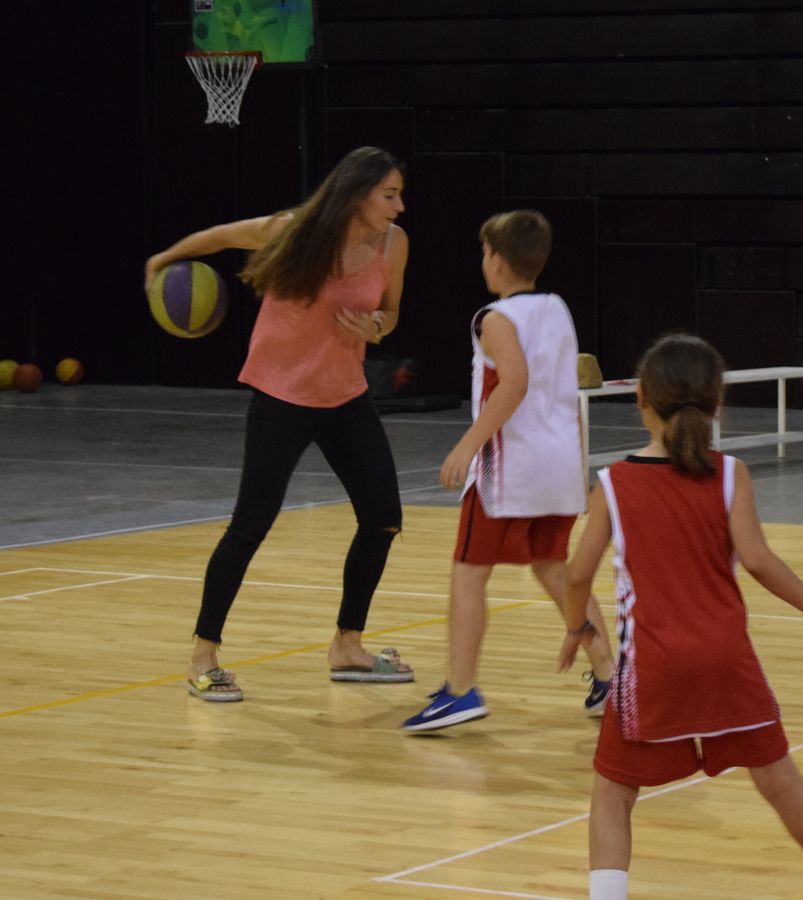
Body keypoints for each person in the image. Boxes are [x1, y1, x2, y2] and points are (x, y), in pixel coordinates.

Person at [556, 334, 803, 900]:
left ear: (641, 401)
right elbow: (758, 561)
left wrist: (577, 629)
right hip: (727, 659)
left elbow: (576, 574)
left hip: (654, 666)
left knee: (613, 790)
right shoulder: (731, 475)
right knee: (778, 778)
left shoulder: (613, 484)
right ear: (718, 404)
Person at [144, 146, 415, 701]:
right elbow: (218, 237)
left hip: (345, 396)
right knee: (250, 525)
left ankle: (347, 644)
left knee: (383, 518)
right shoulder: (292, 230)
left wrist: (376, 325)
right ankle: (203, 656)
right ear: (357, 191)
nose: (399, 205)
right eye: (389, 194)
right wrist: (162, 260)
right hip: (281, 397)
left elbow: (390, 313)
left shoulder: (394, 243)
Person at [401, 210, 616, 732]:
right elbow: (568, 390)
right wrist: (580, 466)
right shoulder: (559, 309)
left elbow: (514, 384)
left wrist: (467, 445)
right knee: (554, 566)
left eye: (483, 253)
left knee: (469, 573)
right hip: (561, 463)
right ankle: (610, 675)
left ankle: (459, 691)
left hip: (510, 470)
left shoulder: (493, 319)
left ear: (496, 260)